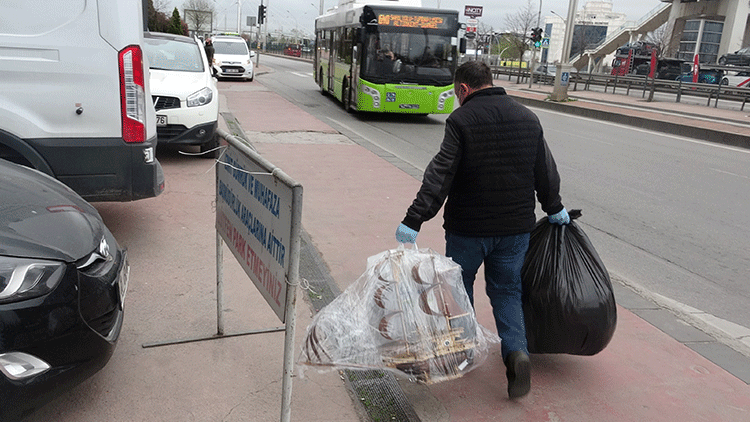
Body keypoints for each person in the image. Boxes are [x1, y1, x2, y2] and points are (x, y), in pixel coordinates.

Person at [394, 60, 569, 399]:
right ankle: (516, 352)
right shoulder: (527, 117)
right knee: (507, 291)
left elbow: (440, 175)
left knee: (460, 289)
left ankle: (464, 353)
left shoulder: (461, 120)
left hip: (467, 229)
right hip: (515, 229)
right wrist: (555, 207)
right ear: (490, 81)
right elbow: (545, 171)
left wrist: (414, 219)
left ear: (463, 89)